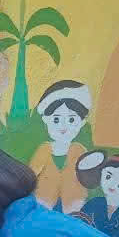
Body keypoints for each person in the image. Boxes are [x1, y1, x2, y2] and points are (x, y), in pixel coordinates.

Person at [29, 80, 92, 214]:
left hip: (74, 207)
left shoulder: (79, 151)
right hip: (44, 204)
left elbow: (89, 177)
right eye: (56, 119)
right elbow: (30, 175)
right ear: (46, 120)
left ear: (82, 122)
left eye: (71, 119)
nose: (63, 126)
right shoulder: (44, 150)